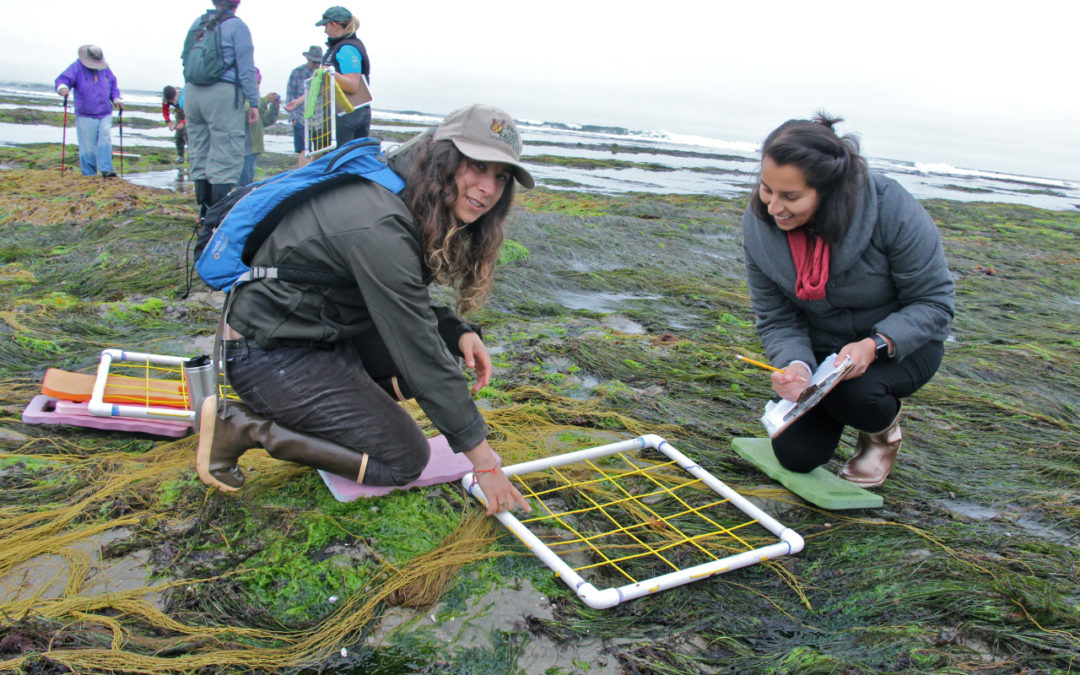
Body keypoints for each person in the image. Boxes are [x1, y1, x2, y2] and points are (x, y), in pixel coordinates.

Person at [196, 104, 536, 517]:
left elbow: (400, 300)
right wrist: (483, 461)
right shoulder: (379, 223)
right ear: (443, 157)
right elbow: (417, 351)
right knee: (404, 460)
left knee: (444, 349)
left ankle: (343, 411)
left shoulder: (405, 190)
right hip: (268, 354)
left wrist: (456, 329)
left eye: (501, 177)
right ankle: (245, 426)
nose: (488, 187)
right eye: (477, 166)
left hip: (323, 331)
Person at [740, 113, 954, 488]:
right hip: (823, 354)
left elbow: (934, 303)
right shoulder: (760, 226)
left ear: (830, 190)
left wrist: (875, 344)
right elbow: (776, 316)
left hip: (899, 347)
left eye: (791, 196)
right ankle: (825, 398)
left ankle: (881, 434)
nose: (774, 207)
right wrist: (797, 366)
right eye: (767, 188)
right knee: (796, 455)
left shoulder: (891, 208)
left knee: (857, 395)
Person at [183, 0, 259, 221]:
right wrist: (253, 102)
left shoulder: (198, 22)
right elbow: (246, 69)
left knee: (199, 151)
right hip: (222, 93)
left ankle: (203, 212)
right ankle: (218, 216)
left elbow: (186, 59)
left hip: (192, 93)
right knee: (224, 153)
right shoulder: (237, 27)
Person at [54, 45, 123, 177]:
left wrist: (116, 99)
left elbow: (113, 85)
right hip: (85, 113)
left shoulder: (105, 69)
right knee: (88, 146)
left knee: (105, 139)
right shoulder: (77, 67)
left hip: (105, 111)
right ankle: (89, 173)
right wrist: (63, 88)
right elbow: (62, 80)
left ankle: (107, 169)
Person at [316, 6, 372, 143]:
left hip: (348, 114)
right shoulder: (337, 48)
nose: (324, 30)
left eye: (326, 25)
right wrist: (299, 101)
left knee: (342, 159)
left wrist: (328, 71)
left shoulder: (347, 48)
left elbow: (353, 84)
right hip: (341, 114)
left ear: (334, 24)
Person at [238, 69, 281, 186]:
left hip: (252, 147)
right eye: (254, 83)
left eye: (258, 84)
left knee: (247, 180)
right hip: (242, 148)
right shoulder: (239, 97)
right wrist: (265, 100)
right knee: (243, 182)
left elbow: (264, 121)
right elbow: (246, 113)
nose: (256, 87)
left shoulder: (256, 98)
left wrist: (274, 107)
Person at [285, 45, 322, 165]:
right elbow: (290, 95)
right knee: (304, 150)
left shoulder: (324, 74)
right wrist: (293, 118)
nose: (316, 65)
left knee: (320, 151)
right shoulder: (297, 73)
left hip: (320, 118)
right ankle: (303, 175)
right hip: (301, 117)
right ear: (308, 60)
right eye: (314, 62)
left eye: (318, 62)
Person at [162, 86, 187, 163]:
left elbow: (191, 114)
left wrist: (183, 123)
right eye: (169, 100)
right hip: (179, 114)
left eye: (172, 99)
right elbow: (165, 110)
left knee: (190, 135)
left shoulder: (183, 96)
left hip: (190, 113)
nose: (171, 101)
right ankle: (181, 156)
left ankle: (192, 157)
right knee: (179, 135)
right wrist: (168, 121)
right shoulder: (165, 98)